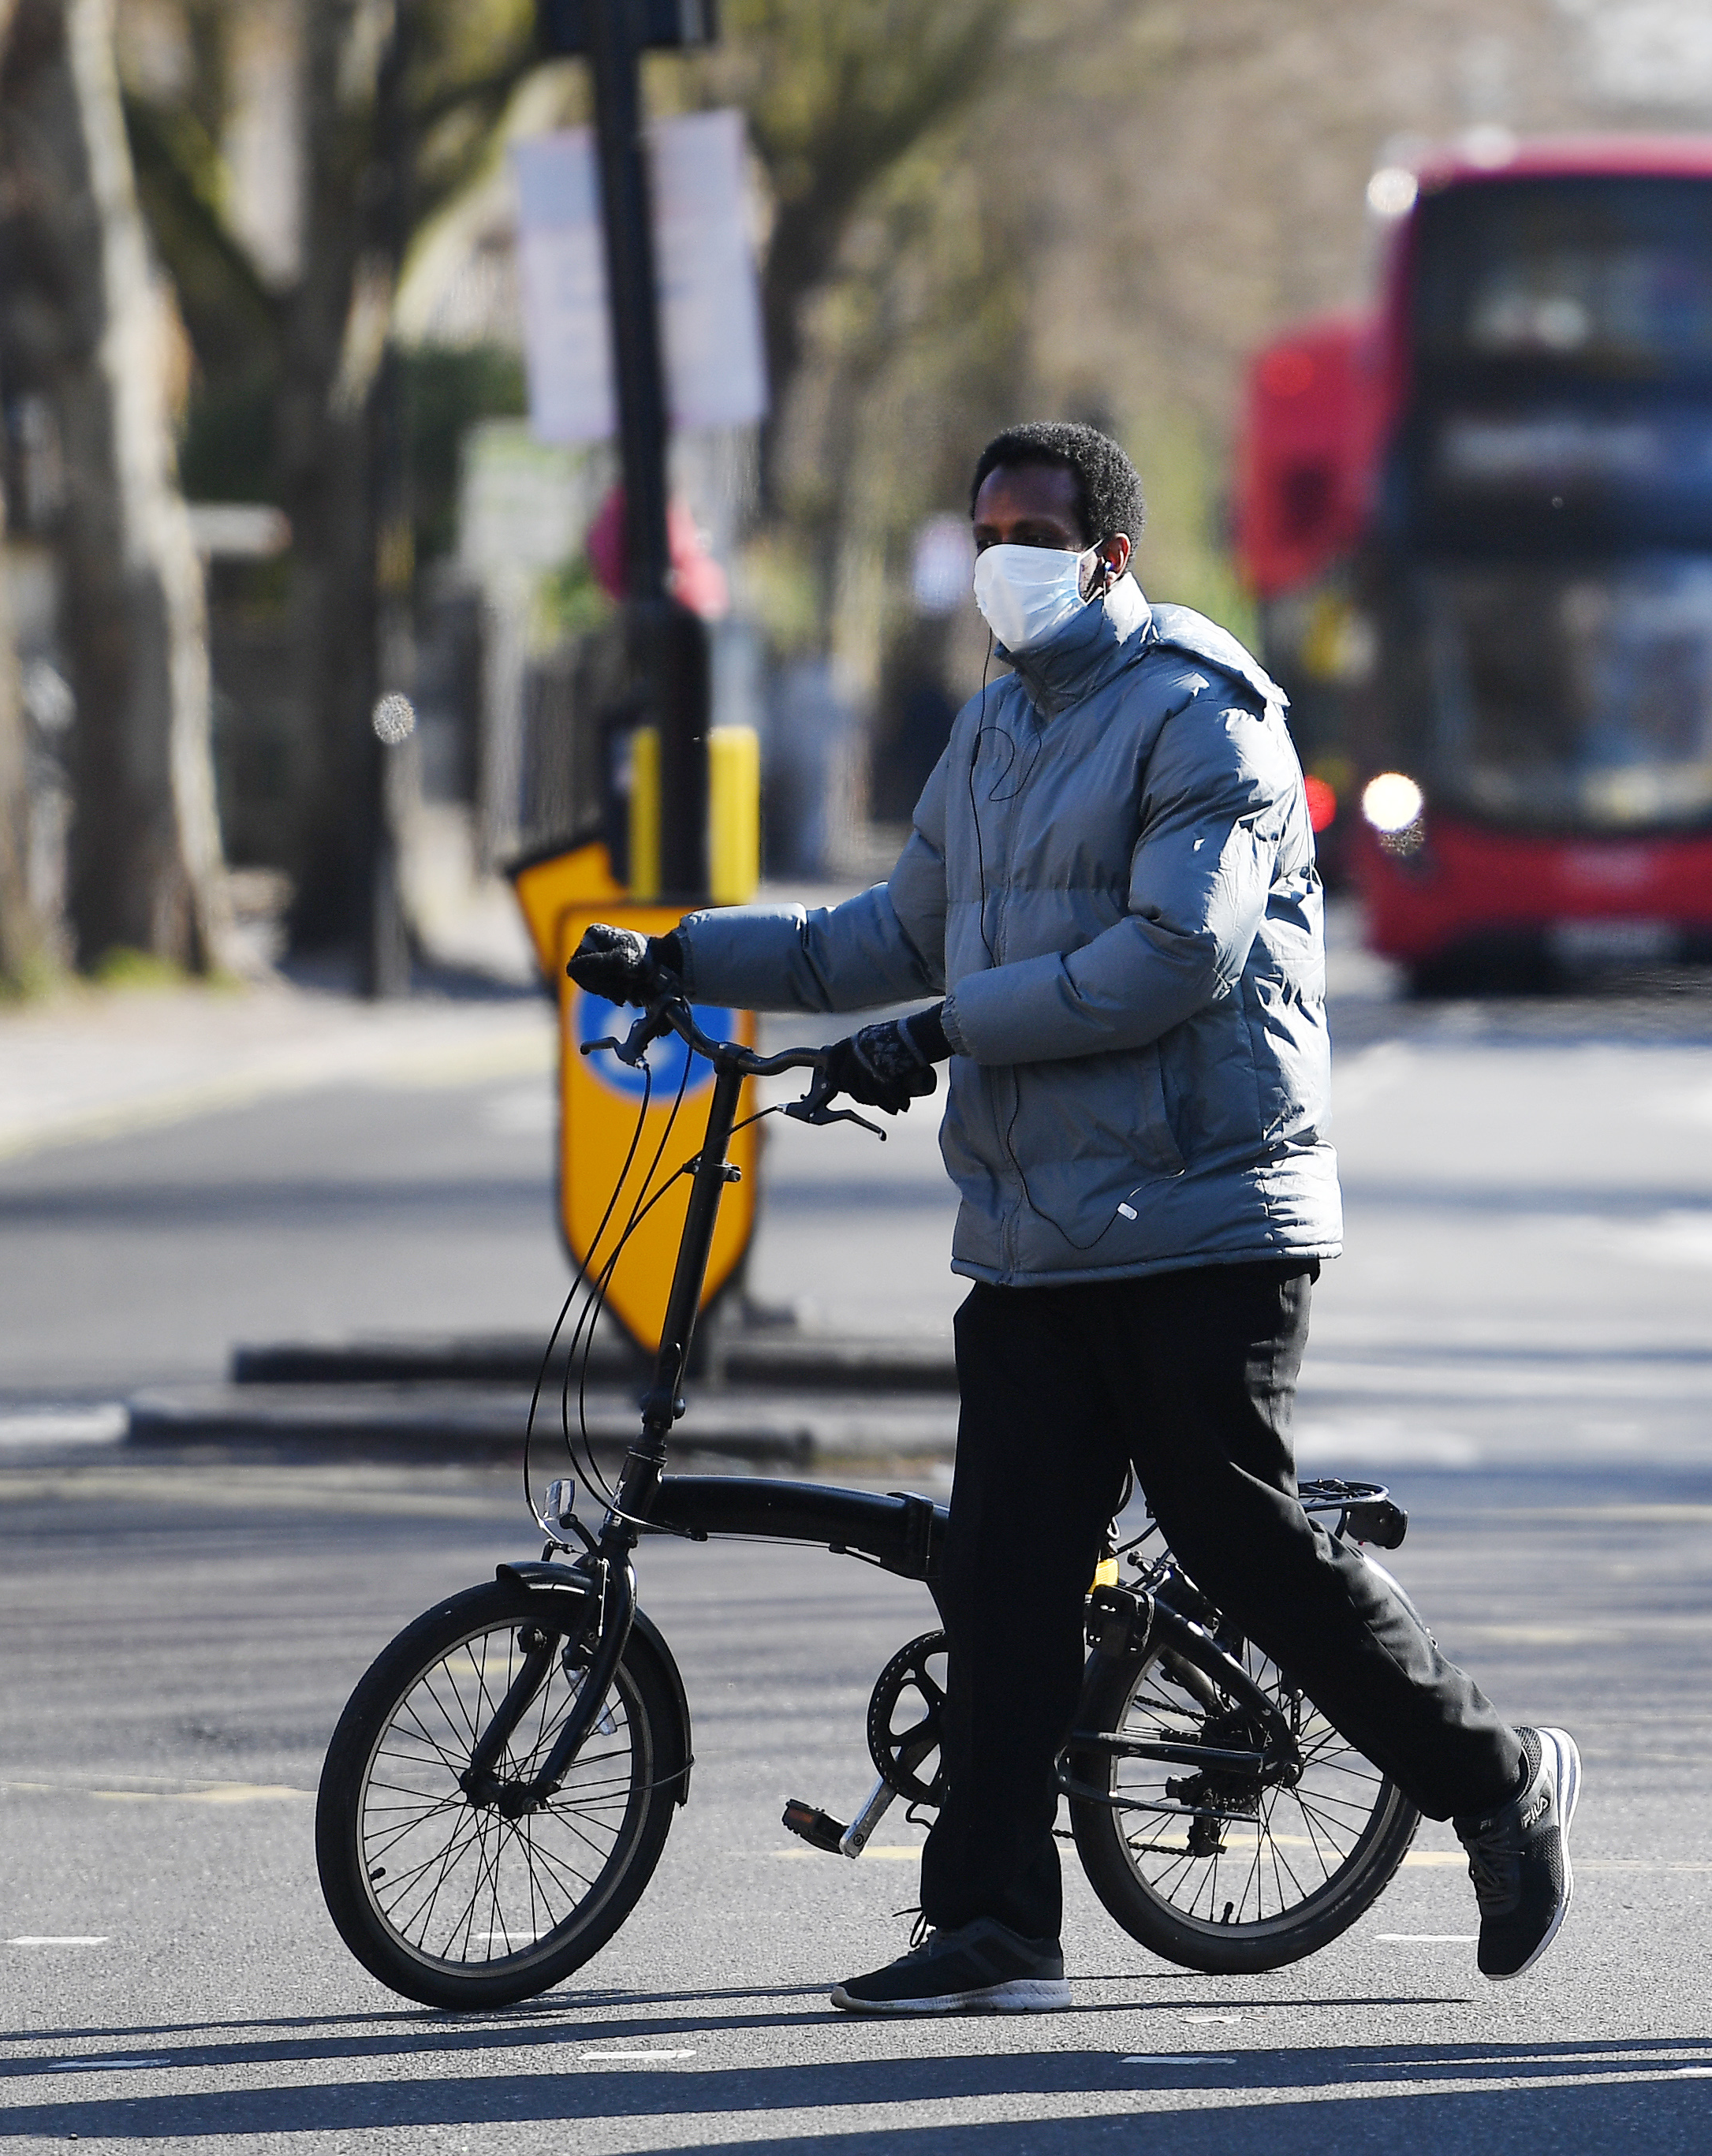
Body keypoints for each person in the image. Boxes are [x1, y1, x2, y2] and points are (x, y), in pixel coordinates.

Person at [566, 421, 1577, 2016]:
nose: (1001, 557)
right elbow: (878, 939)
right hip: (1037, 1233)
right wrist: (681, 952)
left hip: (1203, 1217)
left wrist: (947, 1029)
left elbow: (1176, 953)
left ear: (1110, 551)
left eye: (1034, 528)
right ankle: (992, 1923)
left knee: (1245, 1541)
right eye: (984, 528)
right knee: (1007, 1580)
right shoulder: (993, 730)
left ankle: (1497, 1777)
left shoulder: (1206, 717)